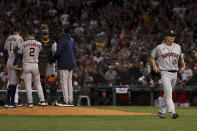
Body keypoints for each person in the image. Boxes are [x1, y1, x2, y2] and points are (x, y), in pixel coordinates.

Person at [150, 30, 185, 119]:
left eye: (173, 36)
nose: (172, 37)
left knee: (167, 94)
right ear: (166, 37)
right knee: (169, 93)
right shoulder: (159, 47)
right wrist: (154, 66)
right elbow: (152, 57)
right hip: (165, 73)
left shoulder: (178, 47)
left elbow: (181, 59)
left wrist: (184, 66)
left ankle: (161, 112)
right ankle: (172, 113)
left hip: (175, 74)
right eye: (170, 35)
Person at [13, 28, 47, 107]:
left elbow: (18, 55)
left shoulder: (23, 44)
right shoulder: (39, 43)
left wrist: (14, 64)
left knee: (28, 84)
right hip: (35, 64)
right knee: (38, 83)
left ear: (28, 35)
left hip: (26, 64)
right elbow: (43, 54)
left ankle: (30, 102)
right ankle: (42, 101)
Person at [38, 24, 62, 106]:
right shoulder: (38, 42)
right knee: (41, 83)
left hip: (49, 64)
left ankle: (54, 99)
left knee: (52, 82)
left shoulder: (53, 42)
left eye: (46, 31)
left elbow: (56, 54)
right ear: (40, 32)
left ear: (48, 32)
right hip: (40, 64)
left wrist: (53, 61)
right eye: (43, 31)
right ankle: (43, 99)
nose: (44, 33)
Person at [52, 25, 75, 106]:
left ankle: (66, 101)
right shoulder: (71, 39)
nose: (56, 35)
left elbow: (58, 52)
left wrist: (53, 59)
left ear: (60, 33)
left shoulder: (62, 39)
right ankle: (70, 100)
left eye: (57, 33)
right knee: (69, 82)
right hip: (71, 63)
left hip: (64, 63)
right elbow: (73, 50)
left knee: (64, 82)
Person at [3, 26, 23, 108]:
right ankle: (11, 102)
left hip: (9, 61)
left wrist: (7, 61)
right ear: (20, 31)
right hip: (15, 60)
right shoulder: (19, 38)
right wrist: (15, 63)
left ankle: (8, 101)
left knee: (11, 81)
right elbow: (19, 52)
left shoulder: (8, 38)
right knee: (14, 82)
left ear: (13, 30)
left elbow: (4, 52)